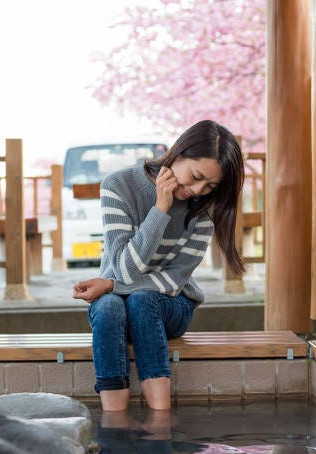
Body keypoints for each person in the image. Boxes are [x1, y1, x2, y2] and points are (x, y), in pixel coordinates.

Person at [72, 120, 245, 411]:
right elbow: (125, 268)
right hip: (118, 305)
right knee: (109, 306)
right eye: (196, 176)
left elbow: (173, 282)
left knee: (141, 300)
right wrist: (160, 208)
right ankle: (115, 420)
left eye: (210, 186)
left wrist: (112, 284)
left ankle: (160, 421)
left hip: (171, 306)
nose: (199, 190)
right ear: (178, 155)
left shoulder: (203, 210)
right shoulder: (118, 185)